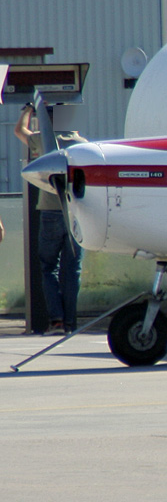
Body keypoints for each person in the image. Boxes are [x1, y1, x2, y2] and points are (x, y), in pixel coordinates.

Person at [15, 105, 85, 336]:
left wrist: (27, 111)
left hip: (50, 212)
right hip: (76, 213)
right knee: (72, 269)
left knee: (48, 267)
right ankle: (71, 324)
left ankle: (56, 321)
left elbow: (19, 131)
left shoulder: (42, 140)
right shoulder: (82, 143)